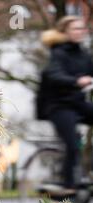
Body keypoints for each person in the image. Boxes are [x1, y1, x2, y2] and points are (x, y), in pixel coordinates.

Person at [40, 16, 93, 193]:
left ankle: (85, 173)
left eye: (81, 28)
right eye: (75, 29)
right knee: (71, 143)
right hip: (58, 106)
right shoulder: (58, 53)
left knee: (77, 143)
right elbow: (54, 75)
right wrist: (77, 81)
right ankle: (67, 184)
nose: (79, 32)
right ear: (65, 32)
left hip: (77, 103)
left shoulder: (84, 54)